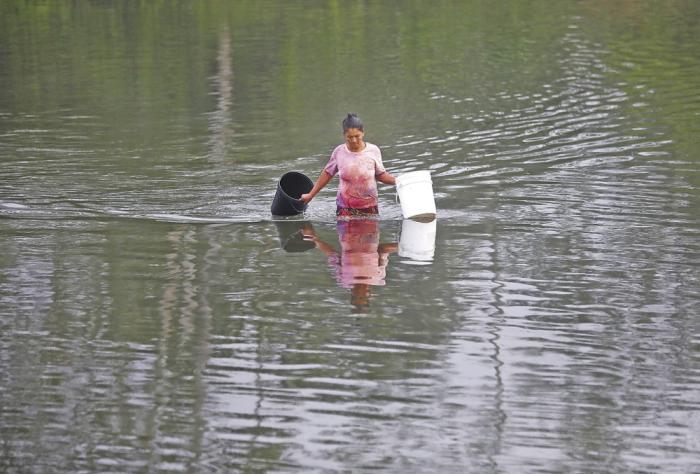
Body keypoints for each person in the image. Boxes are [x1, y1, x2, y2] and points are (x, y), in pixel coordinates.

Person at [300, 113, 396, 217]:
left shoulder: (373, 151)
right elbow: (327, 173)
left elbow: (380, 175)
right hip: (345, 209)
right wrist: (310, 195)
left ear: (363, 133)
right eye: (349, 137)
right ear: (344, 135)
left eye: (357, 136)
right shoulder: (339, 152)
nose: (353, 140)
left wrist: (399, 182)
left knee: (370, 233)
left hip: (369, 207)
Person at [302, 218, 398, 313]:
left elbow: (332, 254)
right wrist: (404, 246)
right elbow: (382, 249)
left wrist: (313, 238)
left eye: (359, 297)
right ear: (369, 295)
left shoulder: (343, 278)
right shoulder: (378, 276)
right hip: (370, 226)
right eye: (365, 297)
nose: (364, 293)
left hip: (346, 226)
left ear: (352, 294)